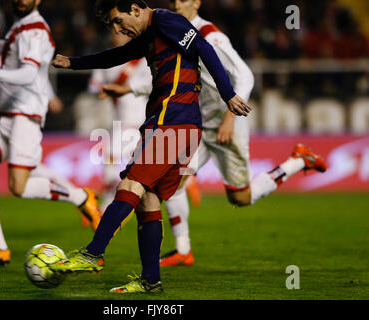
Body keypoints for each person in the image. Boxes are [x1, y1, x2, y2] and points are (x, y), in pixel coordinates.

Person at [103, 0, 327, 267]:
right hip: (193, 123)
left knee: (240, 197)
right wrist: (129, 90)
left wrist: (229, 119)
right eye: (173, 0)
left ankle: (298, 161)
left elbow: (245, 77)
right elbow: (164, 72)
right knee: (172, 184)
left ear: (196, 3)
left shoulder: (211, 36)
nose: (176, 4)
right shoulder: (169, 30)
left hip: (226, 124)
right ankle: (183, 249)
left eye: (182, 0)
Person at [49, 0, 251, 293]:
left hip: (173, 121)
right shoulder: (149, 37)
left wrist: (228, 95)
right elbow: (114, 56)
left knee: (131, 185)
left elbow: (204, 49)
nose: (118, 29)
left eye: (119, 21)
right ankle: (150, 280)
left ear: (135, 8)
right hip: (177, 124)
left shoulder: (166, 21)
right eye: (112, 26)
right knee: (149, 199)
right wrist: (73, 62)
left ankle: (93, 253)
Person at [0, 0, 101, 267]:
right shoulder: (19, 26)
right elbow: (5, 47)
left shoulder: (35, 30)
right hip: (5, 115)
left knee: (18, 187)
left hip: (26, 115)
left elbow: (28, 73)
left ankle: (82, 197)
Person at [0, 26, 95, 228]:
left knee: (29, 171)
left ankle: (81, 198)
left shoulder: (0, 59)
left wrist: (50, 97)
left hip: (18, 122)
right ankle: (81, 198)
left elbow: (32, 73)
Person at [88, 30, 151, 212]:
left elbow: (153, 85)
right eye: (114, 31)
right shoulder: (105, 60)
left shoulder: (143, 60)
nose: (116, 34)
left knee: (113, 157)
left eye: (121, 31)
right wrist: (103, 90)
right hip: (120, 122)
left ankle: (107, 202)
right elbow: (93, 86)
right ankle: (108, 201)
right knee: (112, 157)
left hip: (142, 121)